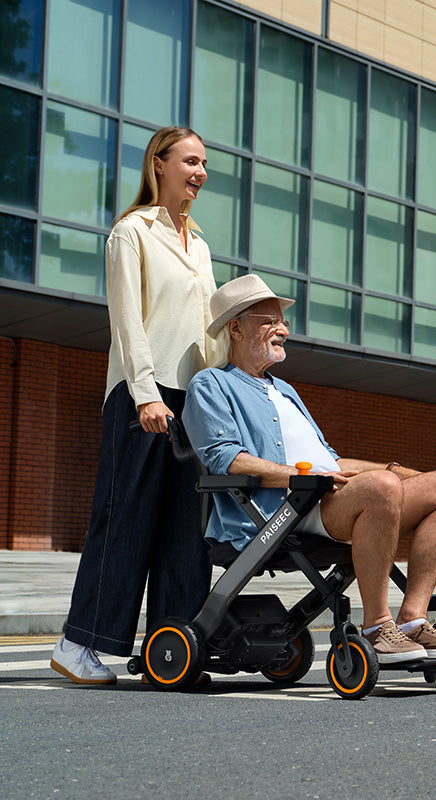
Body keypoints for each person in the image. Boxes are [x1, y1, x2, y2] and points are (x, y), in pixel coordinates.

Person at [183, 274, 436, 664]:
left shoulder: (285, 390)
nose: (283, 329)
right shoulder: (211, 384)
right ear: (235, 328)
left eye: (282, 321)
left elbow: (330, 459)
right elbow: (226, 459)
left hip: (329, 499)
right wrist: (305, 479)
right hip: (279, 514)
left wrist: (393, 469)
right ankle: (376, 626)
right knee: (382, 487)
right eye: (269, 321)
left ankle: (412, 620)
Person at [51, 127, 219, 685]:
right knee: (124, 518)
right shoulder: (132, 232)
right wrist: (145, 393)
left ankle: (173, 651)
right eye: (190, 161)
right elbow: (127, 321)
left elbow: (207, 330)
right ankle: (80, 643)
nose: (199, 172)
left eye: (203, 164)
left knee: (184, 531)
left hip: (192, 399)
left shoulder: (199, 243)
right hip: (141, 395)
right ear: (160, 163)